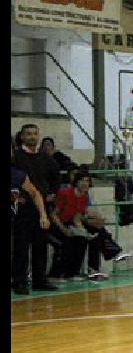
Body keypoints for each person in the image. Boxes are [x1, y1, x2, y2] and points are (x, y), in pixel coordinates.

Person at [12, 124, 60, 293]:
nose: (32, 137)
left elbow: (56, 178)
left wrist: (52, 193)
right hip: (23, 209)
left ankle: (40, 280)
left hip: (42, 208)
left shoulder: (45, 158)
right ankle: (19, 281)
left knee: (41, 245)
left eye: (35, 134)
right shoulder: (16, 157)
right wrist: (17, 196)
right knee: (21, 246)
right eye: (29, 134)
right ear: (22, 136)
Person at [11, 138, 51, 287]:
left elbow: (35, 194)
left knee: (28, 247)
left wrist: (43, 215)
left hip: (22, 216)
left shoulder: (18, 174)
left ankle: (29, 281)